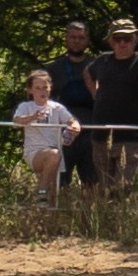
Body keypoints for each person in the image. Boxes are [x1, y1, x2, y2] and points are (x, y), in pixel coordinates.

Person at [87, 18, 138, 185]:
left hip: (131, 132)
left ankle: (120, 209)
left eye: (127, 38)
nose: (122, 43)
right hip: (102, 133)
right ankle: (104, 210)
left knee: (123, 184)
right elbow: (87, 72)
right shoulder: (102, 60)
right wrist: (95, 94)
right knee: (104, 183)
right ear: (110, 41)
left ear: (135, 40)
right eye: (118, 38)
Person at [45, 20, 101, 191]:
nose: (77, 41)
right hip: (62, 132)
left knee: (92, 182)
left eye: (81, 37)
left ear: (87, 41)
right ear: (66, 39)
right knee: (59, 182)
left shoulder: (97, 66)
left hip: (91, 131)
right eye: (73, 37)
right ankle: (56, 214)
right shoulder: (53, 68)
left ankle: (91, 216)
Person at [12, 69, 80, 205]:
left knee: (53, 194)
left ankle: (45, 220)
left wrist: (75, 126)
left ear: (50, 89)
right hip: (35, 152)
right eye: (37, 88)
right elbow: (16, 121)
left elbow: (71, 120)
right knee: (53, 155)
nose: (42, 91)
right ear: (30, 90)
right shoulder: (25, 106)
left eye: (45, 88)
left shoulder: (57, 107)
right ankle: (41, 193)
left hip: (55, 153)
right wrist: (31, 117)